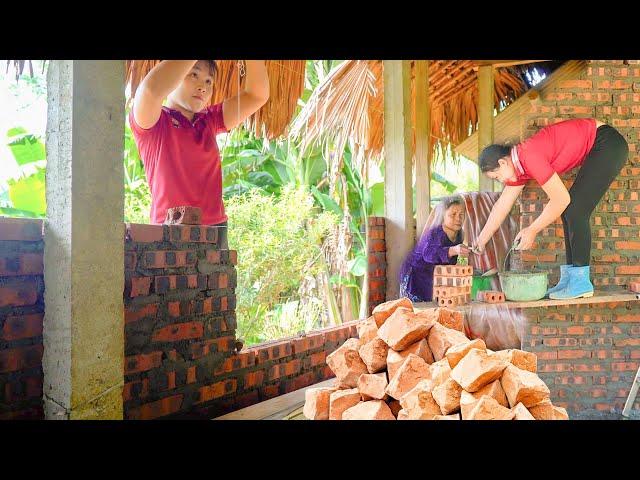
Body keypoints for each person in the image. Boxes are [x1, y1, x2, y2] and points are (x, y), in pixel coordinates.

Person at [472, 118, 629, 300]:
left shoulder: (529, 155)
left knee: (575, 210)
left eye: (497, 176)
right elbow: (502, 205)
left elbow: (561, 199)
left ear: (503, 163)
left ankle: (580, 282)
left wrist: (532, 230)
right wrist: (481, 239)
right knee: (571, 211)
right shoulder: (519, 166)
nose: (500, 181)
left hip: (607, 143)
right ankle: (571, 278)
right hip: (601, 145)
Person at [130, 60, 270, 246]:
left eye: (208, 81)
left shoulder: (209, 121)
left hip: (216, 230)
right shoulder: (155, 123)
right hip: (169, 230)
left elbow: (257, 95)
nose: (202, 87)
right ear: (175, 76)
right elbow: (150, 90)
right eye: (193, 75)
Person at [399, 195, 469, 302]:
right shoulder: (436, 233)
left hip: (431, 277)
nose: (458, 219)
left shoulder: (459, 236)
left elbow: (456, 261)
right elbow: (428, 255)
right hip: (415, 275)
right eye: (452, 215)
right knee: (416, 311)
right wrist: (453, 250)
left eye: (461, 215)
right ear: (443, 216)